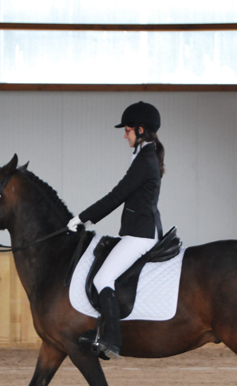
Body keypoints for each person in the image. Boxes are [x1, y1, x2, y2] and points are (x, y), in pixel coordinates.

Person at [67, 101, 165, 360]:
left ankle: (111, 339)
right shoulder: (145, 155)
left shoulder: (145, 159)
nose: (125, 135)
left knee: (102, 279)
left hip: (141, 234)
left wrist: (83, 218)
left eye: (127, 130)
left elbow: (117, 195)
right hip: (140, 230)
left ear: (140, 130)